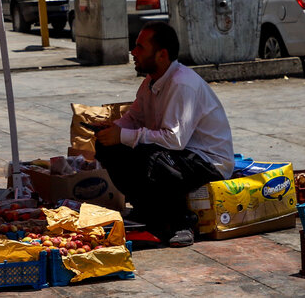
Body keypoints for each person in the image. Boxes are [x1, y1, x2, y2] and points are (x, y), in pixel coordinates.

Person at [94, 21, 234, 248]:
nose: (133, 52)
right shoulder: (151, 82)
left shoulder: (182, 84)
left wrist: (123, 136)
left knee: (152, 158)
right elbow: (134, 118)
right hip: (178, 155)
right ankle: (146, 211)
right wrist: (113, 129)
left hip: (208, 162)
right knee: (110, 147)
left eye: (140, 47)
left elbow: (174, 140)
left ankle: (182, 222)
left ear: (162, 55)